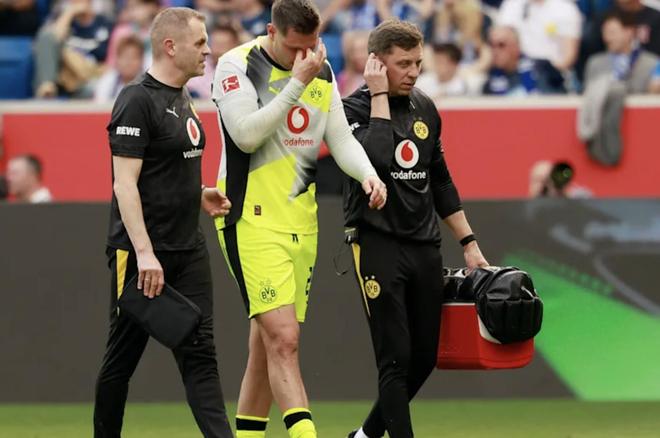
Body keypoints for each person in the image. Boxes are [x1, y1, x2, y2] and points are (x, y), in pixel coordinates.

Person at [211, 0, 387, 437]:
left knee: (266, 346)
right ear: (271, 32)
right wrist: (295, 84)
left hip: (302, 223)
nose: (304, 56)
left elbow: (339, 138)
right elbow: (245, 136)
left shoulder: (320, 71)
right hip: (249, 219)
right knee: (285, 339)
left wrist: (368, 174)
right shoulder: (237, 65)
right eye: (294, 48)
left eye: (311, 46)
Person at [341, 19, 488, 438]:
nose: (414, 72)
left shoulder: (425, 107)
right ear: (376, 63)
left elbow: (440, 181)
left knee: (424, 357)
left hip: (424, 245)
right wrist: (379, 97)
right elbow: (376, 162)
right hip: (377, 243)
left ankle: (364, 436)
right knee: (394, 359)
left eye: (418, 63)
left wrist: (469, 242)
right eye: (403, 63)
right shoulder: (350, 111)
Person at [93, 7, 233, 438]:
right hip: (142, 258)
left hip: (188, 250)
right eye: (200, 42)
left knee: (201, 354)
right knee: (121, 361)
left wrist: (199, 191)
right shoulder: (136, 99)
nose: (208, 50)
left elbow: (166, 167)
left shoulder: (183, 95)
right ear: (171, 47)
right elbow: (125, 185)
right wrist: (144, 254)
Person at [33, 0, 114, 98]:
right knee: (45, 36)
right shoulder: (62, 19)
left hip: (90, 77)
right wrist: (70, 13)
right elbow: (50, 40)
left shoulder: (105, 23)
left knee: (93, 88)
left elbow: (110, 60)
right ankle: (47, 86)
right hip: (65, 76)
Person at [482, 25, 538, 96]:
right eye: (491, 45)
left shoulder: (542, 71)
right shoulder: (488, 79)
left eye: (501, 45)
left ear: (516, 46)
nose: (495, 51)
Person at [94, 35, 145, 102]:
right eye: (125, 57)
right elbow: (99, 105)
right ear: (117, 60)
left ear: (142, 60)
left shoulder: (150, 85)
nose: (129, 62)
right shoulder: (107, 80)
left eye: (134, 57)